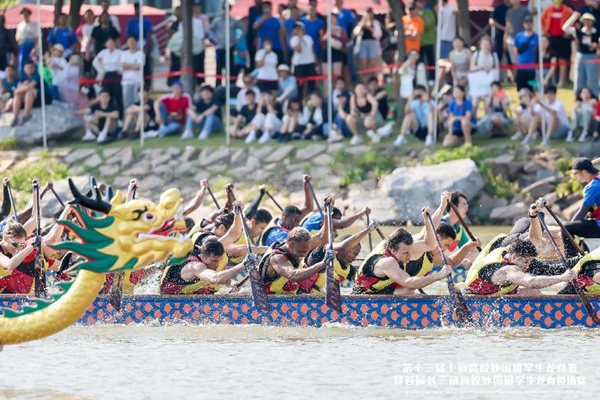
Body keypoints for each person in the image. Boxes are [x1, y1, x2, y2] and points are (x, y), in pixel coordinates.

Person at [352, 224, 452, 295]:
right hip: (363, 293)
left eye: (410, 252)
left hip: (380, 289)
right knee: (408, 289)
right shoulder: (387, 262)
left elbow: (429, 244)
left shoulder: (403, 250)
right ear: (393, 250)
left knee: (408, 292)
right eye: (405, 253)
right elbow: (409, 283)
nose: (409, 256)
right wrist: (439, 275)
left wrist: (427, 218)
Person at [465, 238, 573, 295]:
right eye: (526, 262)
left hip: (475, 291)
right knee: (533, 292)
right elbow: (531, 282)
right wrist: (562, 278)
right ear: (515, 257)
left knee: (531, 292)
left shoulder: (505, 251)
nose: (527, 266)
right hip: (477, 299)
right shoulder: (510, 270)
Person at [299, 220, 379, 294]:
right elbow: (342, 247)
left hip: (325, 300)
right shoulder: (321, 252)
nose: (354, 258)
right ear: (348, 248)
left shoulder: (349, 269)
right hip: (305, 298)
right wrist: (369, 229)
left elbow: (363, 283)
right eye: (354, 253)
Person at [161, 237, 250, 295]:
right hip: (167, 300)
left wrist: (231, 282)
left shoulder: (202, 250)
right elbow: (215, 278)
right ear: (203, 256)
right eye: (214, 261)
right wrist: (242, 265)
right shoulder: (195, 266)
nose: (217, 264)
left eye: (219, 260)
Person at [260, 175, 314, 247]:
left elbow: (309, 207)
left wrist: (306, 184)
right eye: (294, 222)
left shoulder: (293, 218)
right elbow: (294, 247)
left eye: (298, 222)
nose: (296, 226)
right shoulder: (278, 235)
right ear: (285, 217)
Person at [562, 158, 600, 257]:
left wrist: (566, 229)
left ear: (584, 172)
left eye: (575, 174)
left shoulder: (594, 186)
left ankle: (571, 262)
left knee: (566, 228)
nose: (575, 177)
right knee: (586, 222)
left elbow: (581, 213)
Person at [563, 12, 600, 96]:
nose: (587, 22)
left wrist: (597, 45)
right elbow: (565, 28)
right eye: (585, 20)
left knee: (592, 79)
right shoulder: (578, 31)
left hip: (592, 56)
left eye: (589, 20)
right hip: (581, 56)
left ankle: (593, 97)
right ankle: (578, 97)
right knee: (579, 78)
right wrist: (573, 17)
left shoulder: (596, 32)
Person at [210, 4, 245, 87]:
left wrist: (236, 39)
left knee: (229, 67)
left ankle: (230, 86)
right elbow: (210, 29)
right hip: (220, 47)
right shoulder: (217, 20)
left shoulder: (233, 21)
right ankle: (218, 85)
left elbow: (243, 30)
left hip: (229, 47)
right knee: (219, 67)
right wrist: (215, 38)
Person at [11, 61, 52, 127]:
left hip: (43, 98)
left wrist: (20, 88)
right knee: (17, 95)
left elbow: (29, 87)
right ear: (24, 68)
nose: (30, 69)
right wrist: (20, 88)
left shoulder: (37, 76)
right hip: (28, 99)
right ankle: (15, 117)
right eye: (28, 68)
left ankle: (26, 116)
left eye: (31, 67)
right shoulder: (22, 77)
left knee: (29, 91)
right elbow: (18, 88)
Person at [542, 0, 573, 87]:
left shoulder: (567, 10)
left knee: (562, 59)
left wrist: (568, 33)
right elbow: (542, 20)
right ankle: (554, 78)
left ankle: (562, 80)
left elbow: (573, 22)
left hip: (562, 37)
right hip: (551, 37)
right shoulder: (548, 9)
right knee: (553, 59)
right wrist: (545, 31)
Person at [93, 37, 123, 116]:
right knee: (107, 96)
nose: (110, 45)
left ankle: (120, 115)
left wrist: (121, 70)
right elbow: (95, 62)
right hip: (106, 75)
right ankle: (107, 114)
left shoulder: (119, 52)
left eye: (112, 43)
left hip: (116, 75)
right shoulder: (103, 52)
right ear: (106, 44)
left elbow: (124, 62)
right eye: (108, 43)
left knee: (117, 96)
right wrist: (101, 70)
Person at [127, 3, 154, 90]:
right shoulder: (132, 22)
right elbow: (129, 35)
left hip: (144, 43)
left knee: (146, 66)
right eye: (136, 9)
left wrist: (147, 48)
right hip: (135, 44)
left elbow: (149, 35)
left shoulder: (146, 21)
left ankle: (148, 85)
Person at [319, 13, 348, 93]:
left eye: (333, 18)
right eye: (330, 19)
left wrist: (337, 34)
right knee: (326, 77)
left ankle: (337, 93)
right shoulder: (323, 30)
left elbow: (344, 42)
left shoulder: (341, 29)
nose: (332, 20)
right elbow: (321, 42)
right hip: (326, 52)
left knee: (337, 76)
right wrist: (329, 33)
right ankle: (326, 94)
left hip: (337, 53)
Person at [354, 7, 383, 82]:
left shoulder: (375, 23)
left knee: (372, 66)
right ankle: (365, 82)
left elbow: (378, 35)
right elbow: (355, 33)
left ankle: (372, 81)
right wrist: (362, 25)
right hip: (363, 44)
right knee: (364, 66)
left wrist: (370, 28)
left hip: (373, 44)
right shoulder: (361, 23)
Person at [290, 22, 318, 100]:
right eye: (295, 28)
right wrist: (300, 39)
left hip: (310, 63)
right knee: (300, 86)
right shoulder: (293, 39)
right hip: (299, 64)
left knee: (311, 85)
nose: (297, 30)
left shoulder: (309, 38)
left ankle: (312, 100)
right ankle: (299, 101)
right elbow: (298, 50)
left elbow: (312, 51)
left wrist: (316, 64)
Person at [513, 15, 538, 91]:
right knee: (520, 89)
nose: (528, 25)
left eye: (530, 23)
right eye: (526, 23)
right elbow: (515, 50)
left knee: (531, 89)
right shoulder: (518, 36)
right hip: (521, 67)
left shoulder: (536, 37)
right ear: (524, 24)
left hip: (532, 69)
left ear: (532, 24)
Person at [120, 36, 145, 110]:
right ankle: (129, 119)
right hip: (126, 81)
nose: (131, 43)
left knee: (137, 101)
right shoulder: (124, 54)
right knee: (127, 103)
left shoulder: (140, 54)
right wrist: (133, 66)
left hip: (137, 81)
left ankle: (138, 119)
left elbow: (139, 66)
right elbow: (123, 66)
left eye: (133, 41)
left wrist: (128, 66)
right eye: (129, 41)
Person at [416, 0, 436, 82]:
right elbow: (416, 25)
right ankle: (419, 79)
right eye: (420, 2)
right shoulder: (414, 13)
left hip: (429, 41)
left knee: (431, 60)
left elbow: (431, 23)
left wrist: (421, 25)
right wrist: (423, 24)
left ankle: (432, 79)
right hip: (418, 42)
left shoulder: (429, 12)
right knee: (419, 62)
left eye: (423, 2)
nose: (422, 4)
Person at [15, 8, 37, 75]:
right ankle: (22, 75)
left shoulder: (34, 25)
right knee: (22, 62)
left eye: (26, 14)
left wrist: (35, 48)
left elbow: (37, 38)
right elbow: (17, 37)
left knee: (32, 62)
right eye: (23, 14)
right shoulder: (20, 25)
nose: (25, 15)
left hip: (31, 46)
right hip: (22, 46)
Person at [490, 0, 510, 65]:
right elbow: (491, 21)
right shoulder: (499, 8)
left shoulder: (514, 9)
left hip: (512, 36)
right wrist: (503, 28)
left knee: (512, 59)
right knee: (497, 58)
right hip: (500, 35)